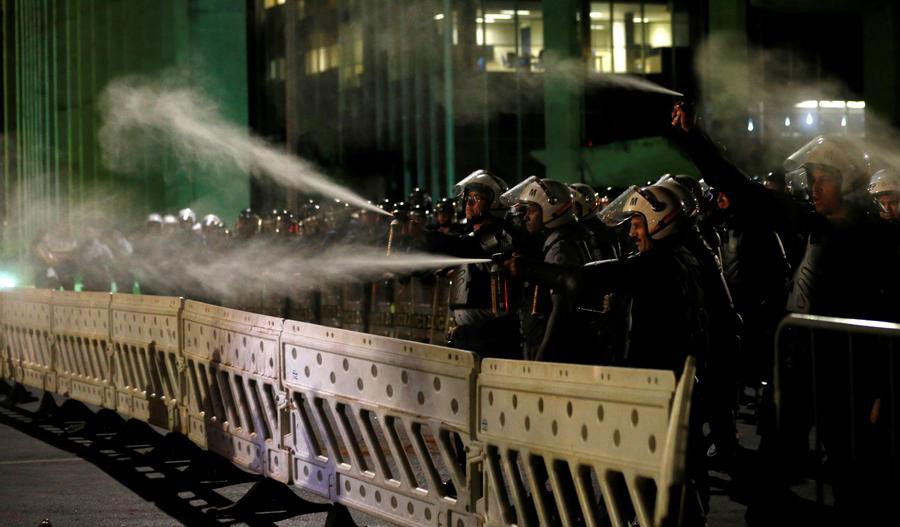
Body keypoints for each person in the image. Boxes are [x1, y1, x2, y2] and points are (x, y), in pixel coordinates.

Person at [421, 169, 522, 359]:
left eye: (477, 198)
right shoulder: (473, 236)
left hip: (493, 338)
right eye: (467, 197)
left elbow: (467, 248)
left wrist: (424, 236)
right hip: (471, 336)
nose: (469, 203)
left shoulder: (499, 234)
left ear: (494, 203)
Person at [500, 177, 590, 363]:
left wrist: (544, 354)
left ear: (551, 210)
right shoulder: (558, 240)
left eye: (531, 211)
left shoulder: (561, 248)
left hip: (552, 355)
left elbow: (560, 311)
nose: (525, 217)